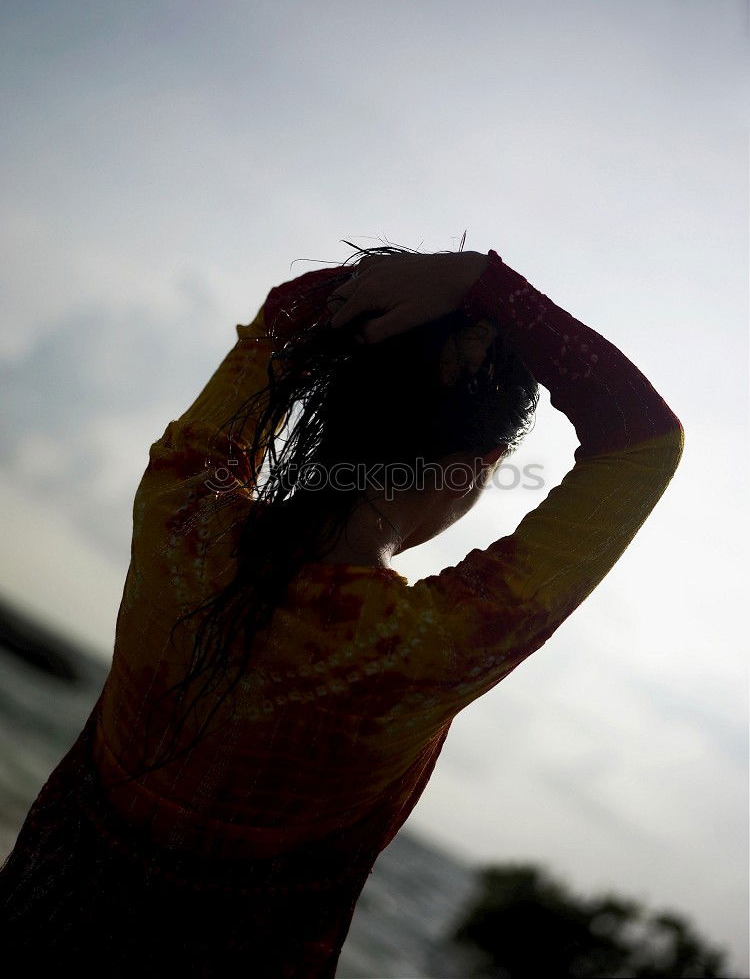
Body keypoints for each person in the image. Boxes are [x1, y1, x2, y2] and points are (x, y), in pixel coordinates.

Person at [0, 243, 684, 976]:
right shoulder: (424, 650)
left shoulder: (177, 520)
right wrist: (485, 286)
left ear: (326, 407)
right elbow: (641, 444)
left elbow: (283, 315)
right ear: (478, 469)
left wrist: (440, 287)